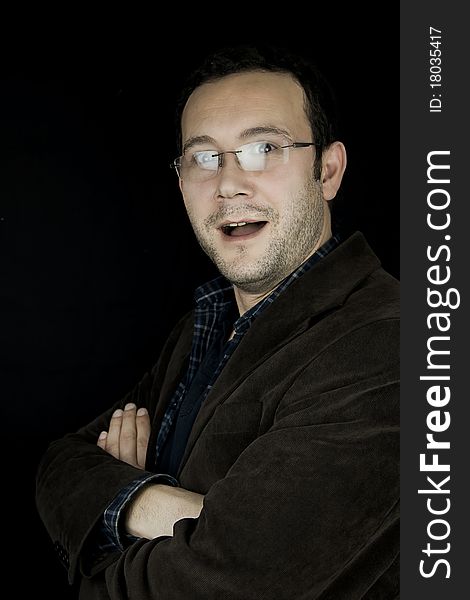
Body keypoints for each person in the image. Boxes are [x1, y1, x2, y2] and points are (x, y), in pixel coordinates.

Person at [36, 44, 399, 599]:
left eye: (263, 148)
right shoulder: (205, 325)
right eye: (205, 158)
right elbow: (62, 464)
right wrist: (144, 502)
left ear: (327, 170)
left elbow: (236, 585)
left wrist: (107, 538)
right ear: (181, 180)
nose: (229, 183)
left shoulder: (391, 340)